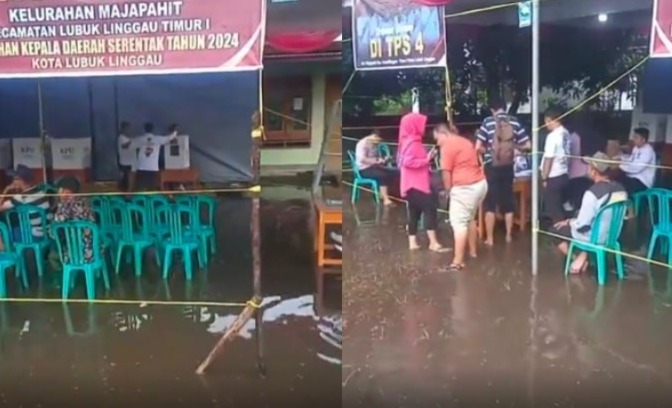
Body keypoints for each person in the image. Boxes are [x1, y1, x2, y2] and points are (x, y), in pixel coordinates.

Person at [551, 152, 627, 274]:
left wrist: (569, 222)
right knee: (579, 216)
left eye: (589, 166)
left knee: (555, 231)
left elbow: (582, 225)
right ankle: (584, 255)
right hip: (613, 235)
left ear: (593, 171)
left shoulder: (592, 193)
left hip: (595, 237)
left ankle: (577, 259)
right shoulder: (621, 189)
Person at [475, 97, 530, 245]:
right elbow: (528, 145)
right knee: (508, 200)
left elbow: (478, 147)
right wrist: (514, 149)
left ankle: (490, 239)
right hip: (508, 166)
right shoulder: (515, 122)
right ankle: (508, 236)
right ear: (504, 107)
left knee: (490, 202)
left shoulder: (488, 122)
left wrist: (488, 150)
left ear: (492, 109)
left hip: (491, 166)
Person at [435, 123, 488, 270]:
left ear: (443, 134)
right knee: (470, 218)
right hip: (480, 184)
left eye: (437, 139)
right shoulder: (464, 141)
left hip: (465, 187)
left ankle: (458, 262)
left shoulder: (447, 146)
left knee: (459, 223)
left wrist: (448, 191)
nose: (437, 143)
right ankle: (473, 252)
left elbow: (446, 172)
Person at [397, 112, 447, 252]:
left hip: (409, 184)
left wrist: (427, 157)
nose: (424, 126)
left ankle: (412, 242)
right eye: (421, 123)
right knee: (430, 209)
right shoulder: (412, 142)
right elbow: (408, 162)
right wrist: (426, 160)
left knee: (414, 212)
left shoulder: (406, 141)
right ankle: (433, 242)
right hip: (417, 184)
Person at [48, 176, 97, 270]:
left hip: (76, 255)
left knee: (54, 246)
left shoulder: (66, 207)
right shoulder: (86, 203)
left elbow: (53, 231)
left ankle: (61, 266)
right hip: (94, 251)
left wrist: (60, 204)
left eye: (61, 191)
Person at [0, 164, 51, 243]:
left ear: (21, 181)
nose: (13, 182)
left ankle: (6, 254)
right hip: (46, 232)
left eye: (14, 179)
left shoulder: (21, 197)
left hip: (33, 235)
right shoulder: (41, 192)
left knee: (3, 232)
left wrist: (6, 190)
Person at [541, 107, 571, 223]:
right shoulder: (566, 133)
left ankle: (560, 236)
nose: (545, 124)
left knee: (555, 210)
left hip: (553, 176)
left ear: (550, 119)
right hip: (564, 173)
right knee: (561, 206)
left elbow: (549, 158)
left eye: (546, 121)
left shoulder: (552, 136)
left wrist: (544, 177)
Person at [132, 122, 178, 191]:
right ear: (153, 129)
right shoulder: (158, 139)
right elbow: (170, 137)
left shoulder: (140, 139)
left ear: (144, 129)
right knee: (152, 189)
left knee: (140, 189)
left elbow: (129, 145)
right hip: (153, 168)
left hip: (141, 167)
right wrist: (174, 130)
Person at [354, 130, 395, 206]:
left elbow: (375, 156)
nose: (379, 142)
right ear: (374, 136)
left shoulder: (375, 144)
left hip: (374, 166)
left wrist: (383, 159)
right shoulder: (362, 144)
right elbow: (362, 159)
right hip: (363, 169)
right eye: (378, 140)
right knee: (382, 175)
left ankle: (382, 193)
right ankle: (386, 199)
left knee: (392, 172)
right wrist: (376, 161)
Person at [617, 127, 656, 197]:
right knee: (616, 181)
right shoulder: (636, 148)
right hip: (632, 178)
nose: (633, 139)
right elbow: (631, 160)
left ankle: (629, 206)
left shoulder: (648, 151)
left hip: (642, 181)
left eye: (636, 137)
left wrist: (620, 166)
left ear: (643, 140)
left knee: (622, 186)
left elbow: (636, 168)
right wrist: (620, 158)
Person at [117, 121, 134, 192]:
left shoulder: (127, 138)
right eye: (128, 128)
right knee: (126, 179)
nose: (129, 130)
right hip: (125, 162)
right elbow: (125, 146)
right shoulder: (121, 138)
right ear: (123, 128)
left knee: (127, 179)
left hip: (129, 162)